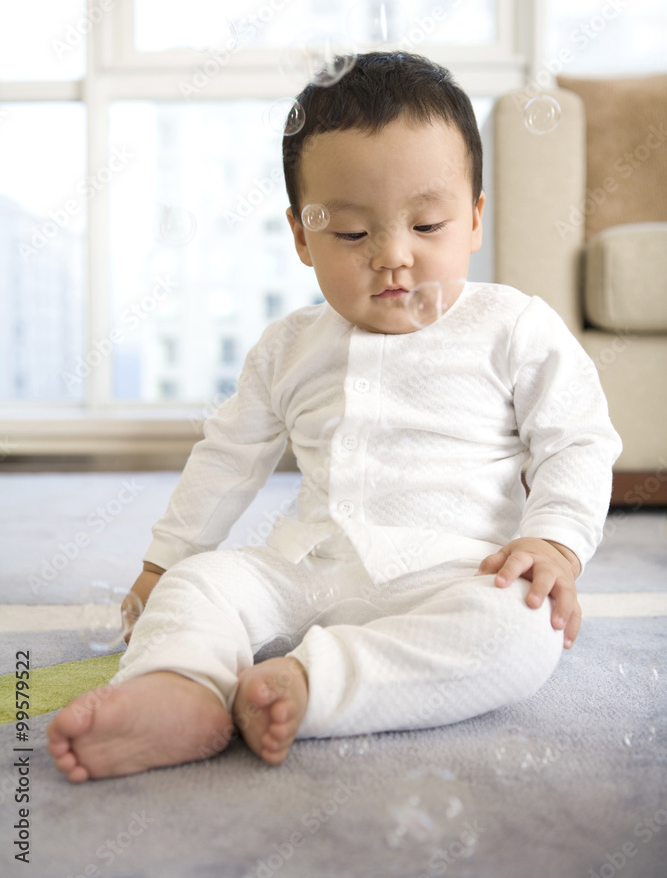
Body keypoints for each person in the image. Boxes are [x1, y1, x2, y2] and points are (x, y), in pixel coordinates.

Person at [47, 52, 622, 783]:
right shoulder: (288, 346)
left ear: (475, 219)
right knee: (200, 586)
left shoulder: (513, 326)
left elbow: (576, 440)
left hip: (455, 570)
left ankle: (309, 685)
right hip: (305, 569)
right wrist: (164, 562)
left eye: (428, 224)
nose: (393, 256)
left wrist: (555, 541)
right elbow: (228, 458)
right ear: (301, 237)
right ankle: (179, 690)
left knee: (525, 629)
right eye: (351, 234)